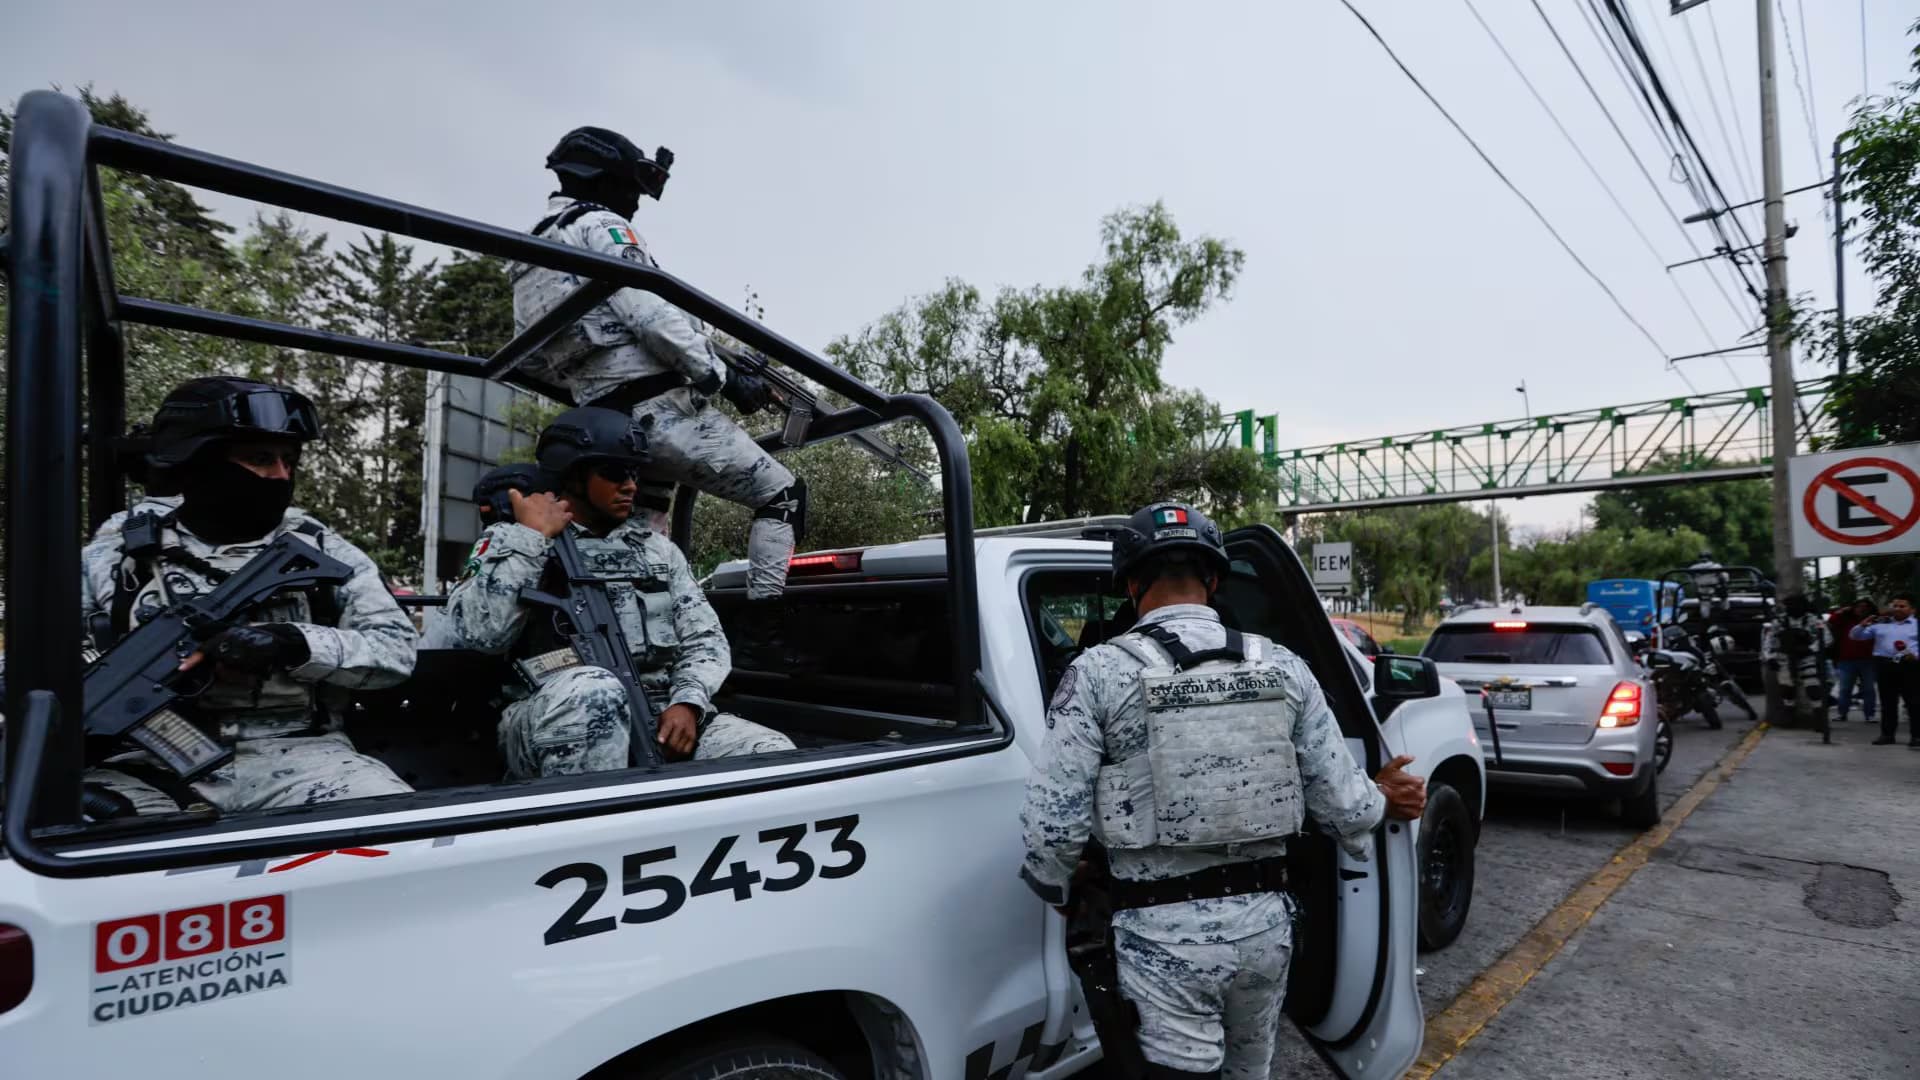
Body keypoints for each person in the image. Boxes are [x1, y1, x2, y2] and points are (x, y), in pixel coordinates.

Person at [1018, 501, 1427, 1080]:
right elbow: (1346, 805)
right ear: (1213, 579)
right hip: (1266, 932)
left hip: (1162, 944)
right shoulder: (1284, 667)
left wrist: (1060, 887)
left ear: (1132, 583)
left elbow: (1052, 828)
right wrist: (1385, 795)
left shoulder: (1098, 672)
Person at [82, 377, 415, 815]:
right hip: (149, 761)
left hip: (304, 758)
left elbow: (396, 651)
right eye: (260, 459)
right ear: (198, 461)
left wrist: (291, 643)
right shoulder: (116, 556)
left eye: (289, 460)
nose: (281, 475)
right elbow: (46, 662)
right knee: (75, 833)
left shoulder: (321, 550)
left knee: (399, 831)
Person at [509, 125, 802, 599]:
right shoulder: (603, 228)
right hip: (659, 414)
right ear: (602, 179)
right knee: (782, 495)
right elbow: (651, 318)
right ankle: (766, 626)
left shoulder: (526, 253)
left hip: (602, 426)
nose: (638, 201)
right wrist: (723, 379)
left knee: (641, 541)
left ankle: (633, 635)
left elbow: (533, 357)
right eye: (632, 186)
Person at [444, 408, 794, 777]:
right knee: (594, 692)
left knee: (770, 755)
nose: (629, 485)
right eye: (613, 474)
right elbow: (478, 635)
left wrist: (688, 703)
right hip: (547, 714)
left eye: (633, 473)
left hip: (655, 713)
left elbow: (704, 641)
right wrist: (531, 537)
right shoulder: (512, 540)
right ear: (573, 476)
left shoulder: (657, 551)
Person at [1850, 594, 1920, 747]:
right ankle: (1887, 735)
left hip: (1909, 665)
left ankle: (1916, 736)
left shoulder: (1916, 625)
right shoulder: (1881, 624)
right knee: (1888, 702)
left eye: (1902, 606)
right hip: (1885, 665)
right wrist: (1863, 624)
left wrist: (1916, 656)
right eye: (1895, 606)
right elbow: (1855, 636)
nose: (1898, 609)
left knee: (1914, 702)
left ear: (1912, 610)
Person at [1762, 593, 1830, 728]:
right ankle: (1789, 716)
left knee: (1813, 687)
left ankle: (1820, 718)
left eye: (1796, 605)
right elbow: (1769, 641)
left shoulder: (1814, 620)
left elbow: (1827, 638)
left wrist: (1811, 648)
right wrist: (1770, 658)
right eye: (1789, 605)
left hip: (1806, 657)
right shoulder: (1779, 621)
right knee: (1786, 688)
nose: (1792, 608)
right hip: (1784, 658)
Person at [1828, 598, 1879, 724]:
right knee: (1845, 689)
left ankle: (1870, 715)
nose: (1861, 609)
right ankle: (1842, 713)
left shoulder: (1874, 621)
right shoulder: (1846, 620)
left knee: (1868, 689)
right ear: (1853, 608)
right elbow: (1832, 620)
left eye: (1865, 606)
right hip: (1847, 659)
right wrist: (1842, 611)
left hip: (1868, 660)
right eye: (1858, 606)